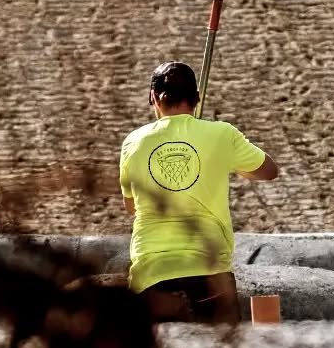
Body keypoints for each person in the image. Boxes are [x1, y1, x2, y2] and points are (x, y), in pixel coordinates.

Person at [119, 60, 279, 322]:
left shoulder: (133, 142)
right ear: (196, 98)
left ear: (154, 98)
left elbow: (131, 206)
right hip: (210, 273)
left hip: (150, 275)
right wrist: (232, 164)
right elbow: (269, 170)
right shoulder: (222, 134)